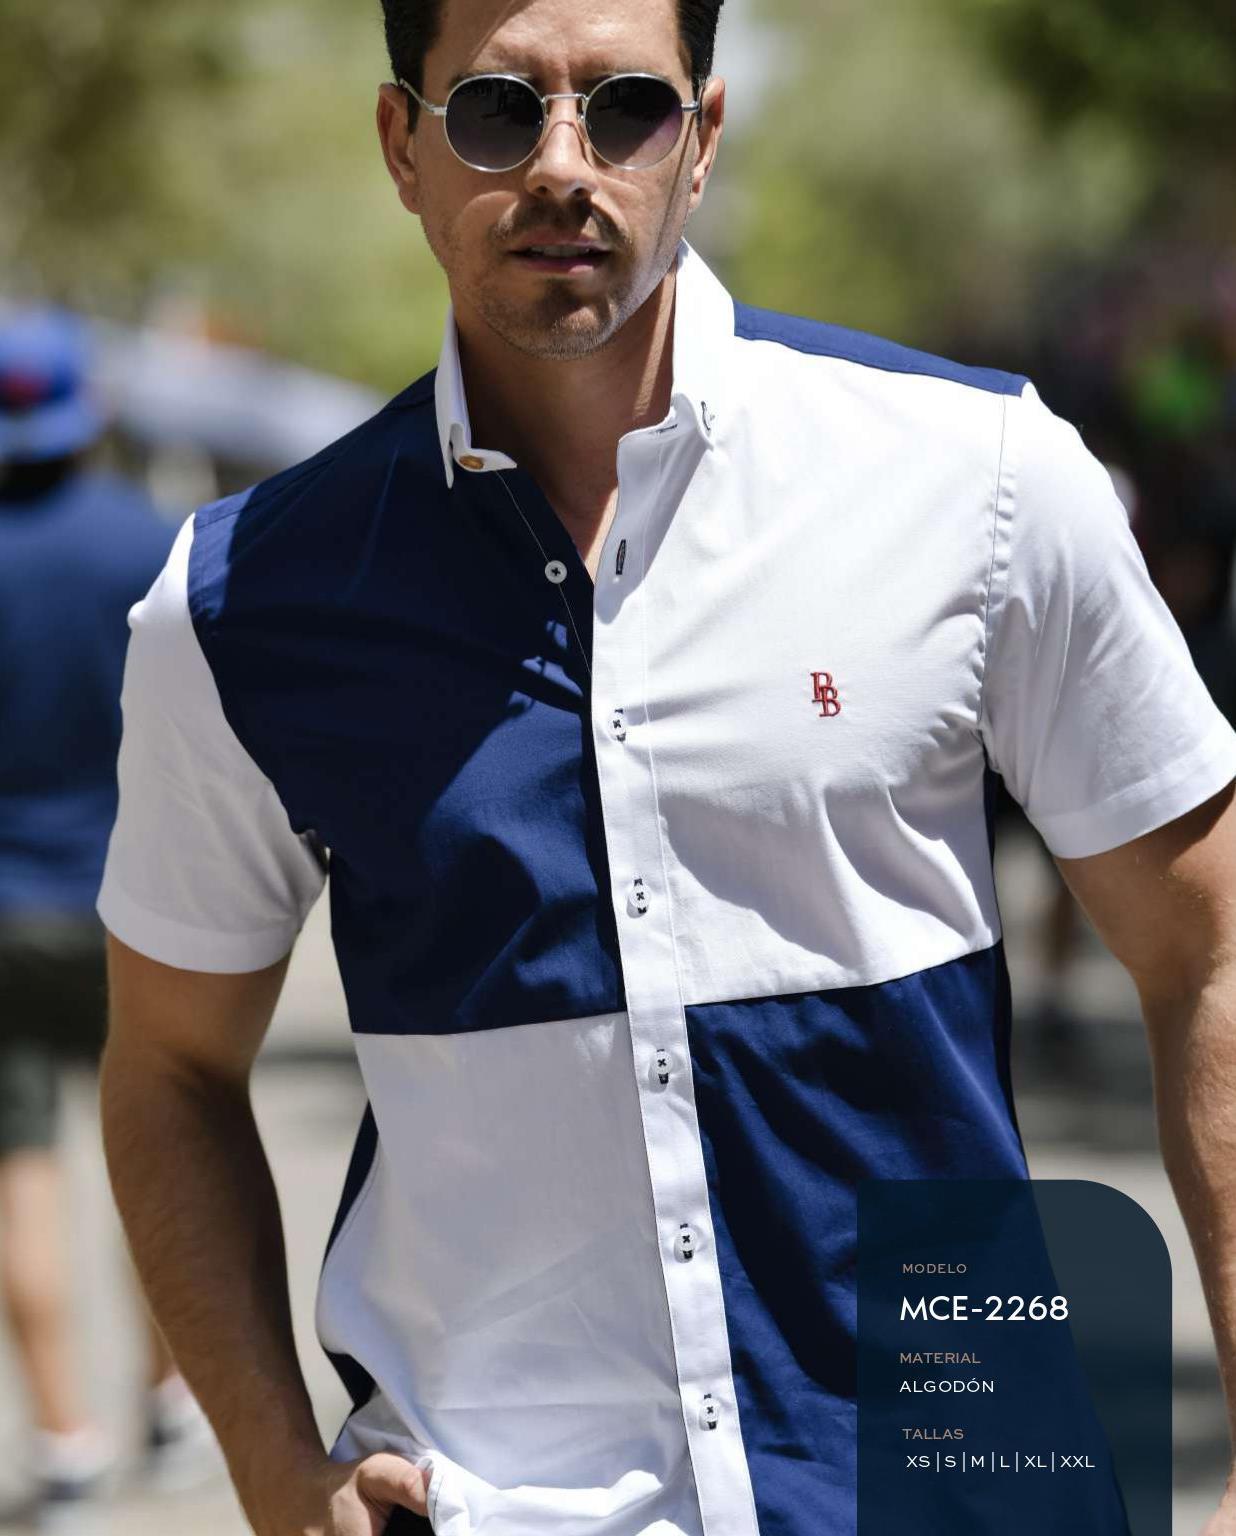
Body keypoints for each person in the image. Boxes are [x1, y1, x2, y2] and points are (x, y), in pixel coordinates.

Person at [94, 2, 1236, 1533]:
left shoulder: (981, 482)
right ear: (403, 147)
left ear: (701, 143)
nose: (563, 163)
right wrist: (274, 1474)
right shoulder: (244, 600)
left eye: (625, 104)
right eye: (498, 109)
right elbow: (168, 1066)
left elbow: (1211, 954)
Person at [0, 307, 219, 1524]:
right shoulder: (149, 542)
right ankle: (170, 1397)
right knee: (162, 1142)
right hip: (138, 904)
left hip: (2, 916)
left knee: (19, 1174)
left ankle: (64, 1440)